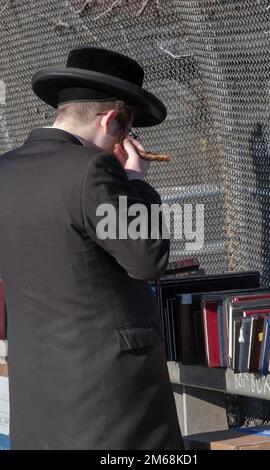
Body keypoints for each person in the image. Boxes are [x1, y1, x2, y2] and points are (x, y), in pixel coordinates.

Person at [0, 46, 183, 450]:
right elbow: (148, 258)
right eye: (127, 129)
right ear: (110, 119)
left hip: (36, 403)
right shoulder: (91, 169)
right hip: (111, 410)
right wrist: (135, 181)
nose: (125, 141)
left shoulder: (5, 170)